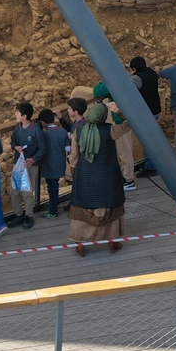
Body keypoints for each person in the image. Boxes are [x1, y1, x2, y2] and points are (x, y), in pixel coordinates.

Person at [68, 103, 126, 257]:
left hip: (85, 176)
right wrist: (118, 112)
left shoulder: (78, 131)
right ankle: (111, 242)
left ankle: (80, 244)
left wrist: (73, 174)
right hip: (108, 176)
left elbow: (73, 158)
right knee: (110, 206)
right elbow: (130, 125)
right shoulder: (111, 130)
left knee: (83, 206)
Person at [8, 102, 42, 228]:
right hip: (18, 164)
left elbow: (42, 148)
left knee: (27, 192)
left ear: (24, 116)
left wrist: (33, 159)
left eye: (17, 113)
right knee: (14, 191)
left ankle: (29, 216)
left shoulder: (35, 130)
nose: (15, 115)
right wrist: (15, 147)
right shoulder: (17, 127)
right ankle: (18, 215)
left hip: (30, 166)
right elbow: (13, 141)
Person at [37, 110, 68, 219]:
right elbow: (68, 148)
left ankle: (52, 211)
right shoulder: (62, 131)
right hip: (60, 163)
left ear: (43, 122)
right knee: (55, 186)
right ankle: (52, 207)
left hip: (49, 165)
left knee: (52, 188)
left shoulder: (44, 134)